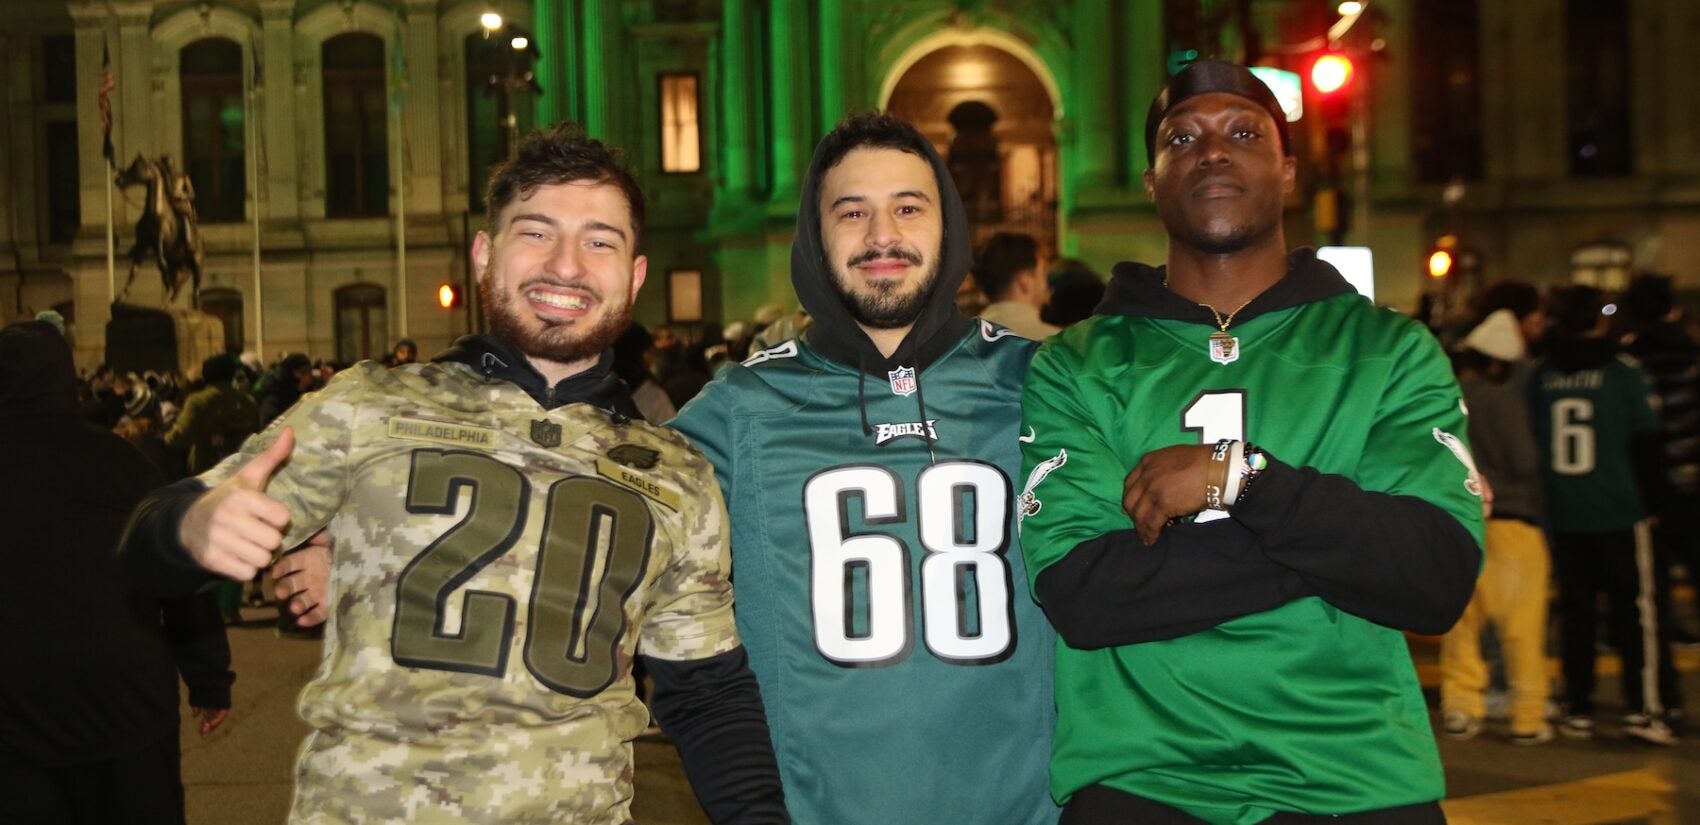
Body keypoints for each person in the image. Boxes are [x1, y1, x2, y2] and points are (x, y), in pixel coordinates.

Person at [120, 125, 787, 824]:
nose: (567, 265)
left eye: (600, 241)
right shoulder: (369, 405)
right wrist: (190, 529)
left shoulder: (677, 476)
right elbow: (145, 546)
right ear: (484, 254)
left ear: (635, 275)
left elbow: (707, 692)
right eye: (536, 233)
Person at [1016, 60, 1483, 824]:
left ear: (1287, 168)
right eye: (1182, 137)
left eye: (1242, 132)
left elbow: (1433, 576)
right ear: (1151, 179)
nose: (1212, 151)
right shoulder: (1076, 362)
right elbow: (1087, 595)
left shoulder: (1389, 349)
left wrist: (1244, 480)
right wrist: (1339, 542)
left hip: (1356, 776)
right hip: (1143, 781)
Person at [668, 112, 1058, 824]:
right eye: (852, 213)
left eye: (909, 207)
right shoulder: (739, 407)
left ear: (949, 225)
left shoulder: (1039, 383)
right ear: (816, 237)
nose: (883, 236)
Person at [0, 320, 220, 825]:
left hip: (17, 711)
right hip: (125, 703)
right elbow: (180, 571)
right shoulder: (124, 463)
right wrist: (208, 679)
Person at [1531, 284, 1679, 745]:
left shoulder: (1540, 376)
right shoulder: (1622, 373)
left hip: (1563, 509)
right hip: (1619, 506)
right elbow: (1647, 444)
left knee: (1576, 612)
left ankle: (1578, 705)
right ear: (1599, 319)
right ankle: (1643, 707)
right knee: (1635, 612)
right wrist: (1657, 505)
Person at [1438, 310, 1554, 745]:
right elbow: (1525, 461)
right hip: (1512, 523)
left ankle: (1461, 709)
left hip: (1460, 521)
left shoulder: (1443, 394)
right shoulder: (1500, 399)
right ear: (1497, 363)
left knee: (1463, 624)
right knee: (1522, 627)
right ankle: (1528, 716)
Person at [165, 353, 258, 476]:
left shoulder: (198, 401)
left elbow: (179, 438)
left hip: (207, 475)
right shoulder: (248, 401)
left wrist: (162, 438)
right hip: (241, 471)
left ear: (206, 375)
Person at [973, 231, 1061, 340]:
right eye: (1043, 274)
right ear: (1025, 282)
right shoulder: (1056, 344)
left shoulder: (964, 342)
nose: (1047, 284)